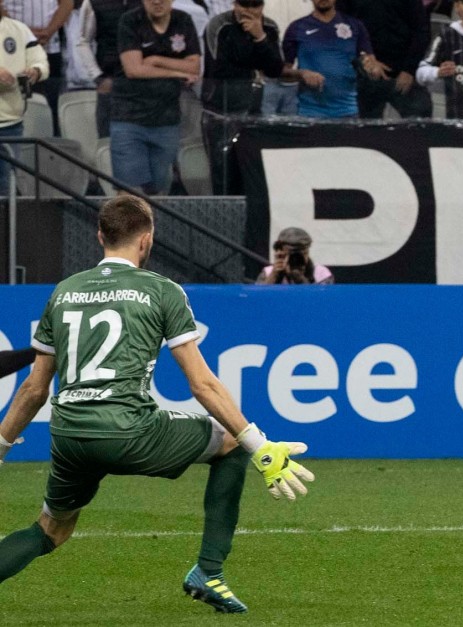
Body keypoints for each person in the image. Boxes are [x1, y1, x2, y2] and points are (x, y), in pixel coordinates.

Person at [0, 195, 314, 613]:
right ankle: (209, 571)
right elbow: (202, 384)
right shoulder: (161, 290)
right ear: (146, 240)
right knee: (231, 444)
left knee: (50, 530)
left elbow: (34, 390)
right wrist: (259, 444)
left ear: (99, 236)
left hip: (69, 434)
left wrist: (1, 446)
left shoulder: (64, 291)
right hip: (129, 430)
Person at [110, 0, 201, 195]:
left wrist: (155, 60)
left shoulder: (183, 20)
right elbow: (134, 69)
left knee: (156, 192)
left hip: (167, 121)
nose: (157, 1)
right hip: (129, 119)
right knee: (129, 192)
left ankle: (150, 226)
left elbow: (194, 67)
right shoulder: (130, 20)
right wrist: (176, 72)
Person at [201, 0, 283, 193]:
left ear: (261, 7)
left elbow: (275, 69)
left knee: (251, 169)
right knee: (222, 171)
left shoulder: (269, 27)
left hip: (254, 108)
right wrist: (254, 63)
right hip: (220, 110)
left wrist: (259, 37)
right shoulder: (219, 26)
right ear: (234, 4)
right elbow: (220, 68)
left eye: (253, 6)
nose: (247, 11)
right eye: (243, 5)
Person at [281, 0, 383, 118]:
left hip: (348, 110)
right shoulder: (296, 27)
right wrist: (302, 74)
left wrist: (372, 68)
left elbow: (371, 62)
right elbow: (282, 72)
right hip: (309, 111)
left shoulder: (356, 26)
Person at [345, 0, 434, 119]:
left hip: (403, 71)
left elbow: (422, 30)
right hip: (365, 71)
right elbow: (342, 25)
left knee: (421, 121)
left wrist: (409, 69)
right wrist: (365, 58)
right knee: (365, 129)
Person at [74, 0, 144, 137]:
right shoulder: (92, 3)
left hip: (143, 81)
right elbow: (83, 42)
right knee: (109, 141)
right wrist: (97, 77)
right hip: (110, 79)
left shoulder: (148, 3)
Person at [4, 0, 73, 136]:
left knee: (49, 106)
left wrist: (50, 30)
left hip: (49, 47)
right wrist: (22, 32)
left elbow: (67, 3)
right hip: (12, 48)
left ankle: (46, 150)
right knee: (16, 103)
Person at [0, 11, 49, 197]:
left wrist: (35, 71)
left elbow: (40, 61)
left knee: (6, 187)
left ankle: (6, 226)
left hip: (11, 124)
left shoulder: (19, 30)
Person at [256, 226, 334, 284]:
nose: (296, 258)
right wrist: (274, 275)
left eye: (302, 253)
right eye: (291, 254)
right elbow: (258, 300)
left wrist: (299, 278)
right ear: (280, 253)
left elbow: (320, 302)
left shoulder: (321, 274)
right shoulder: (268, 273)